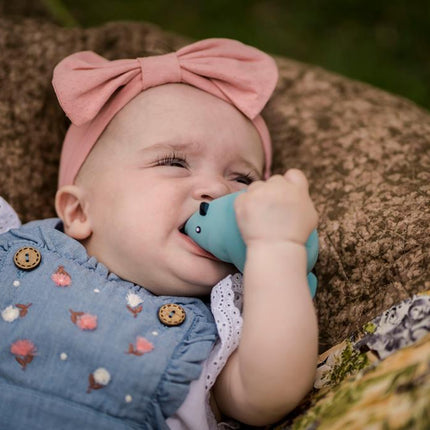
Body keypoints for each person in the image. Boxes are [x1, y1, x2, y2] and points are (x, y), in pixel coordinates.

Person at [0, 38, 318, 429]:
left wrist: (277, 249)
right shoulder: (8, 249)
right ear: (79, 211)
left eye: (242, 178)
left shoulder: (216, 339)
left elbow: (271, 392)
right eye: (174, 162)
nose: (217, 190)